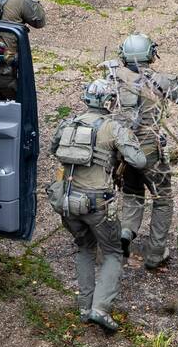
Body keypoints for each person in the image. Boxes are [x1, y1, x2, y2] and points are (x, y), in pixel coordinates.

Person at [48, 79, 147, 333]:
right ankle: (100, 309)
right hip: (96, 204)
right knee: (113, 252)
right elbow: (139, 160)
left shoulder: (68, 123)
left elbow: (53, 148)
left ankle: (83, 307)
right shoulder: (113, 128)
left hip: (66, 201)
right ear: (108, 102)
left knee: (84, 247)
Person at [105, 33, 178, 269]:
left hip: (122, 151)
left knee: (132, 193)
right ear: (149, 54)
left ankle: (126, 232)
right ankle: (155, 255)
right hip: (150, 152)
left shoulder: (113, 77)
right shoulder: (161, 81)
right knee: (162, 200)